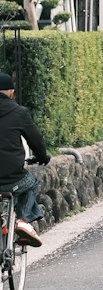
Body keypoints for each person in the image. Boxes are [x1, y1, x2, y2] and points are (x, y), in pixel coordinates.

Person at [0, 71, 51, 246]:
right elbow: (36, 140)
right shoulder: (19, 112)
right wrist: (42, 157)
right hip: (12, 177)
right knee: (31, 183)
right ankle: (22, 220)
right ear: (11, 93)